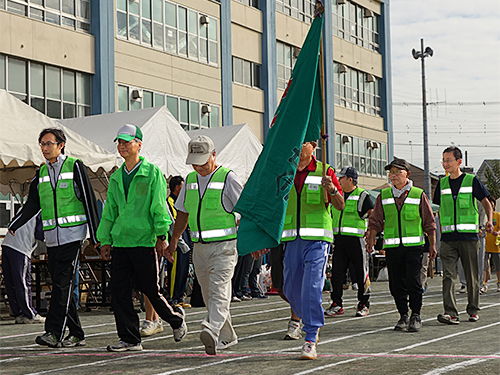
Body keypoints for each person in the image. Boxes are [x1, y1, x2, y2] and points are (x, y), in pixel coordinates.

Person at [97, 124, 187, 352]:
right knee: (119, 293)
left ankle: (176, 319)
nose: (122, 146)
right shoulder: (116, 177)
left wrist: (161, 236)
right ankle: (130, 339)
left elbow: (158, 206)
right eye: (119, 142)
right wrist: (105, 240)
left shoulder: (152, 172)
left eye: (127, 142)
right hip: (121, 244)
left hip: (145, 241)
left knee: (150, 289)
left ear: (139, 144)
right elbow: (110, 212)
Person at [8, 128, 100, 348]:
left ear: (61, 145)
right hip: (52, 239)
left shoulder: (75, 166)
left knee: (61, 284)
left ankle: (53, 332)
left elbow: (88, 199)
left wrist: (96, 236)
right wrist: (15, 224)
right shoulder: (41, 173)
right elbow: (33, 204)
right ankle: (77, 333)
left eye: (49, 143)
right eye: (41, 144)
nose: (44, 148)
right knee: (61, 285)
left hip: (73, 236)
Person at [166, 135, 243, 356]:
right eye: (194, 161)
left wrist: (250, 241)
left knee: (219, 290)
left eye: (202, 160)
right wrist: (173, 242)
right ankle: (227, 337)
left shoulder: (229, 178)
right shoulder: (189, 180)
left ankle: (210, 327)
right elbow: (182, 213)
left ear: (213, 155)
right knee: (209, 294)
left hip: (225, 247)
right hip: (198, 248)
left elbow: (245, 211)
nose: (198, 166)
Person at [281, 141, 344, 360]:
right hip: (291, 239)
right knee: (289, 288)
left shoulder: (325, 170)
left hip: (318, 239)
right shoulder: (285, 170)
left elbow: (340, 204)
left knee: (312, 287)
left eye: (303, 142)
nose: (298, 145)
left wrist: (332, 189)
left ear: (314, 145)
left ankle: (310, 336)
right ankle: (310, 324)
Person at [366, 158, 436, 333]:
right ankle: (403, 315)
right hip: (392, 247)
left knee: (414, 281)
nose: (393, 175)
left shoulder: (418, 194)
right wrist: (370, 240)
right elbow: (375, 221)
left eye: (398, 172)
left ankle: (416, 315)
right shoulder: (384, 196)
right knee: (396, 284)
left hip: (414, 247)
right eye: (391, 172)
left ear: (408, 174)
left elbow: (429, 222)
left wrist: (433, 245)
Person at [433, 146, 493, 324]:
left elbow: (486, 201)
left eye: (448, 160)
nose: (445, 164)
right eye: (443, 160)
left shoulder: (471, 180)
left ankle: (473, 309)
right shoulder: (441, 184)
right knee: (448, 276)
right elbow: (436, 210)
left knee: (471, 275)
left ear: (459, 162)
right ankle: (451, 313)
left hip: (469, 237)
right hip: (448, 239)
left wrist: (489, 220)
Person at [325, 166, 373, 318]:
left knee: (361, 273)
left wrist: (371, 232)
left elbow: (372, 214)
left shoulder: (362, 195)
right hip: (339, 240)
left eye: (341, 177)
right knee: (337, 273)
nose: (338, 180)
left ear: (350, 179)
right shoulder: (336, 195)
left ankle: (364, 304)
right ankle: (336, 303)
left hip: (356, 241)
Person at [2, 213, 45, 324]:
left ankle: (18, 313)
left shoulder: (24, 208)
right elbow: (41, 234)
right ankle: (30, 313)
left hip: (7, 244)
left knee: (11, 283)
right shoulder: (41, 212)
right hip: (21, 248)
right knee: (23, 283)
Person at [269, 244, 302, 340]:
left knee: (294, 285)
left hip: (295, 241)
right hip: (278, 241)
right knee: (279, 287)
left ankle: (295, 322)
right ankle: (306, 308)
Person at [480, 195, 500, 293]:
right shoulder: (484, 216)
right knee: (484, 265)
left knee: (497, 265)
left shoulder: (498, 215)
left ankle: (499, 282)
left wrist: (498, 232)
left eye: (492, 205)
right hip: (485, 243)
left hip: (495, 245)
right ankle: (484, 283)